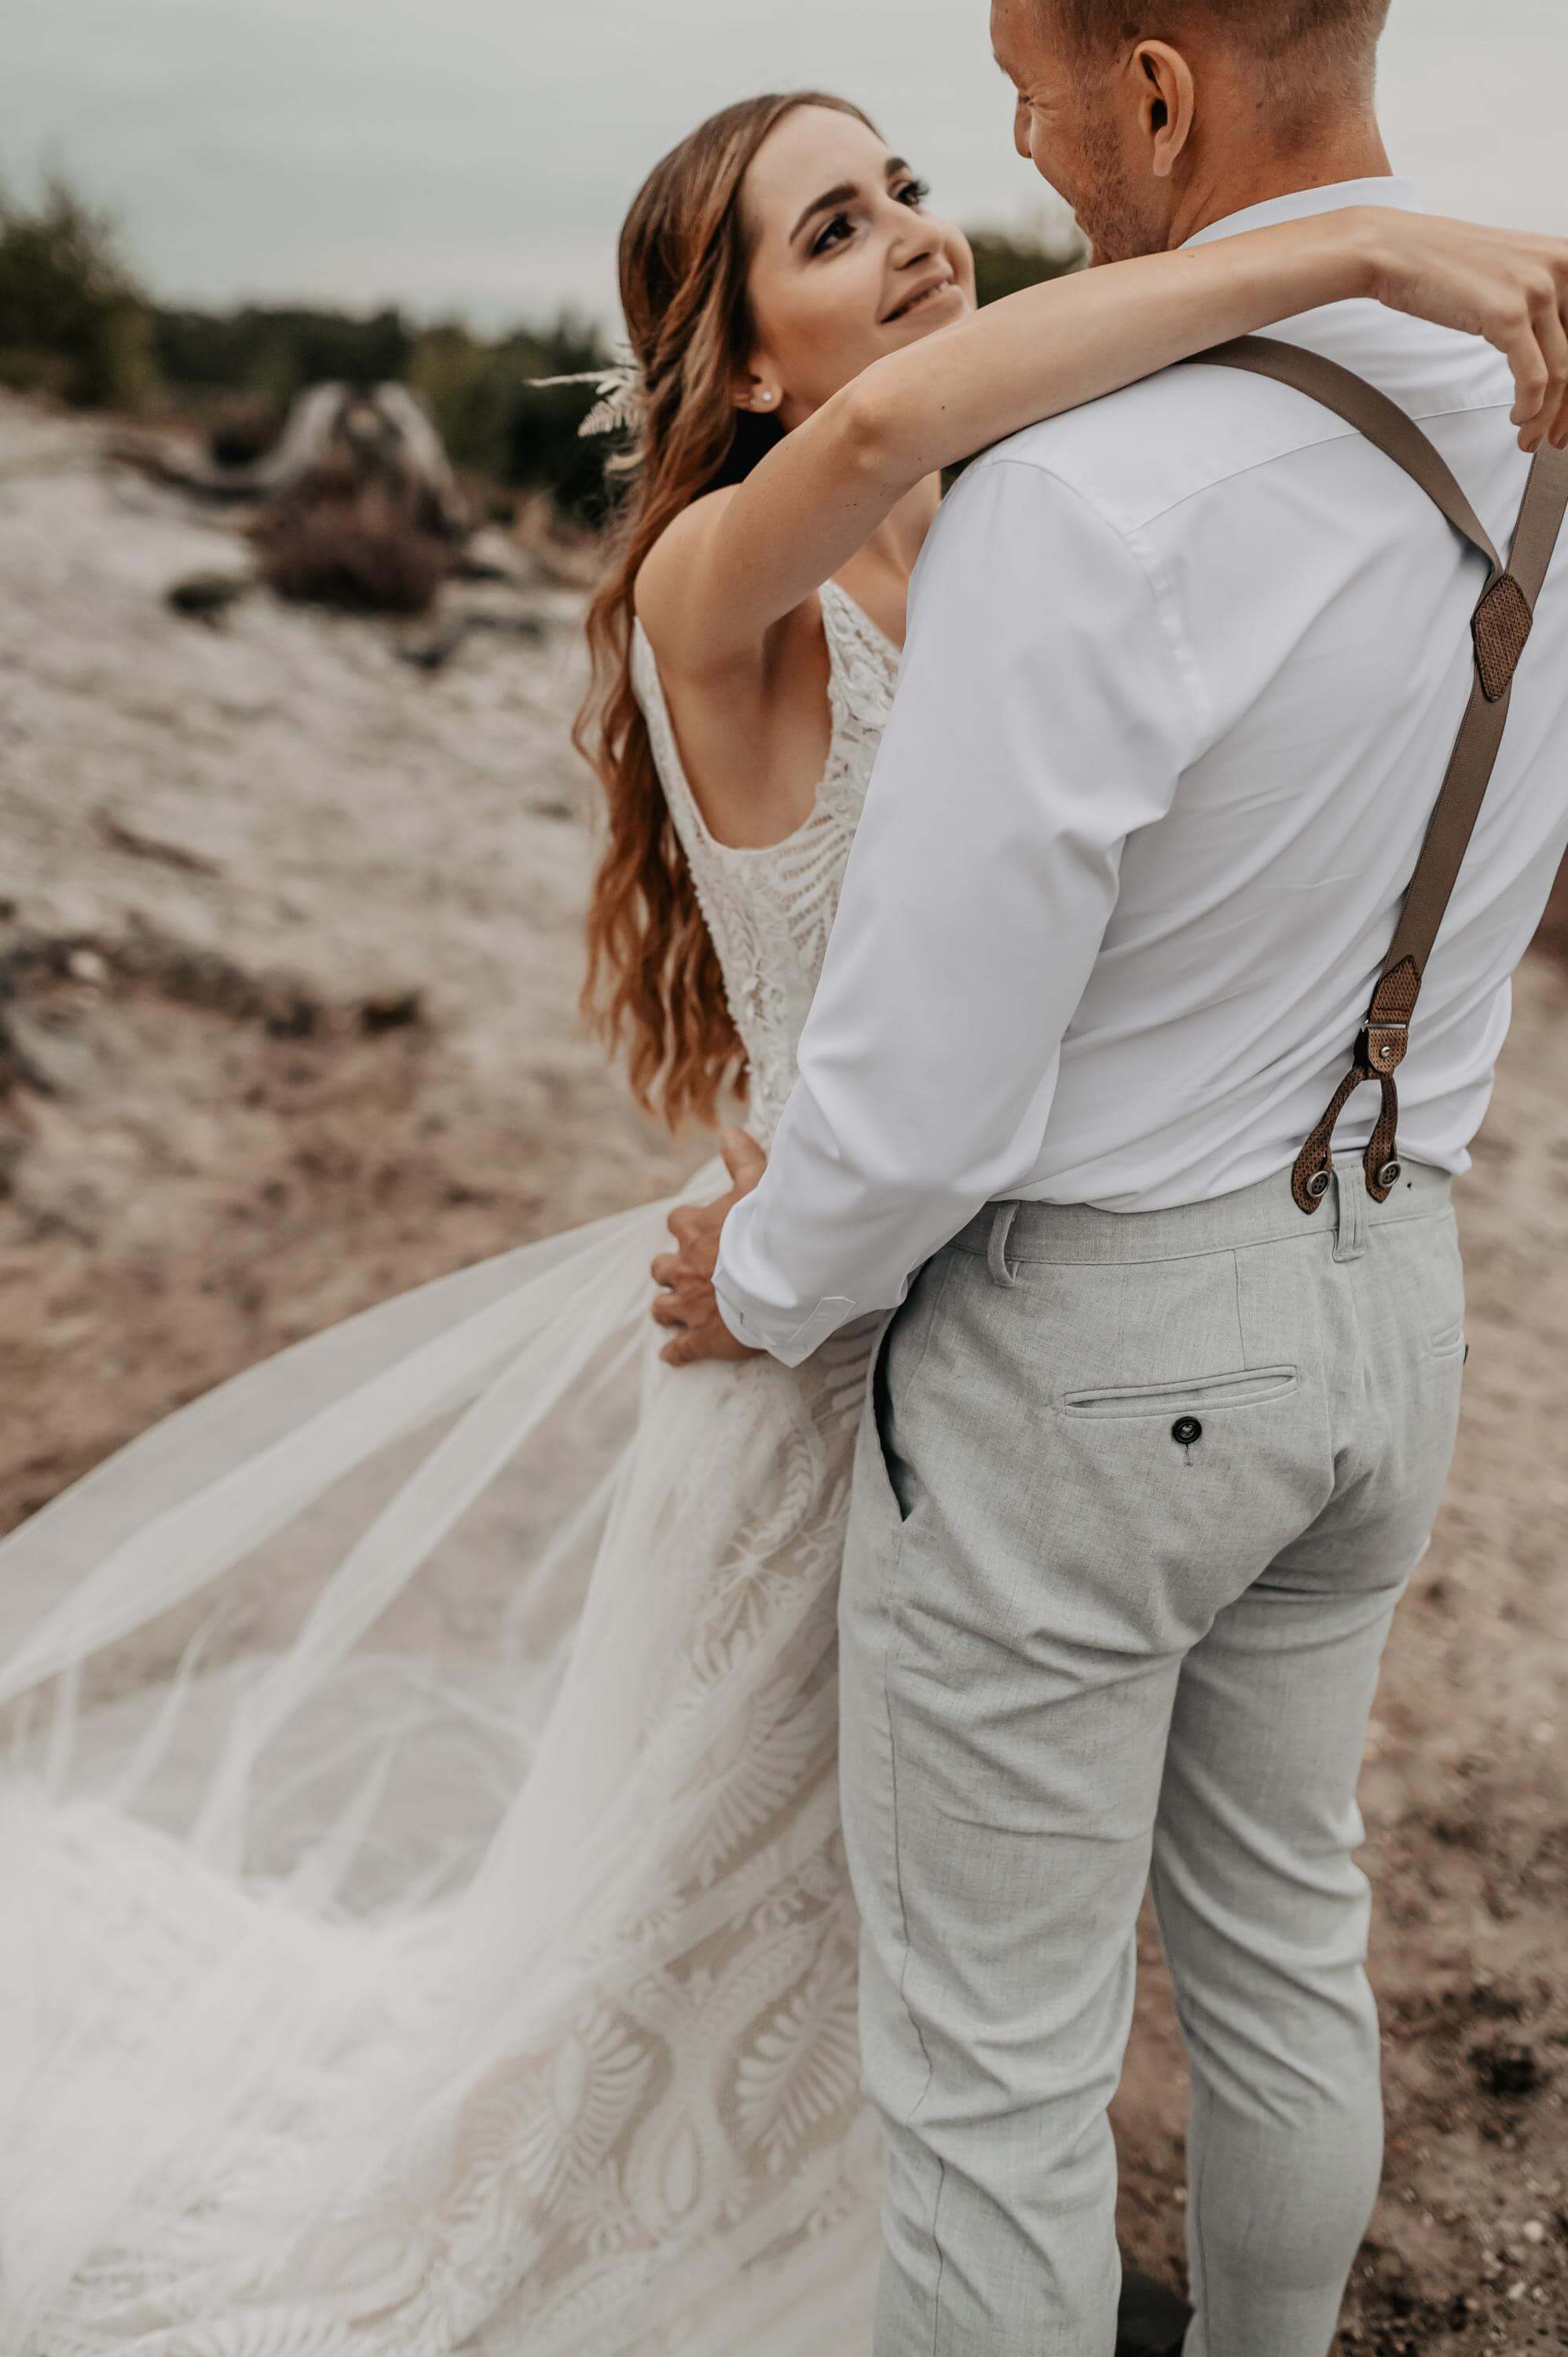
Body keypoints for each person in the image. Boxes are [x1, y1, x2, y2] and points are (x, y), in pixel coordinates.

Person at [2, 71, 1566, 2357]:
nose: (916, 230)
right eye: (832, 230)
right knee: (754, 1908)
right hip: (820, 1341)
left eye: (908, 186)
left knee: (978, 1957)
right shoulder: (715, 579)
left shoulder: (1034, 516)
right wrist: (1341, 244)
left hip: (1023, 1320)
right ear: (732, 362)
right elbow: (885, 433)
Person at [648, 9, 1568, 2357]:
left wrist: (764, 1278)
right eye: (841, 217)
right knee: (1286, 1940)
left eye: (1014, 100)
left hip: (1066, 1350)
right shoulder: (1531, 408)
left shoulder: (1079, 497)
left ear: (1154, 94)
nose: (998, 169)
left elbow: (929, 1111)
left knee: (991, 2085)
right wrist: (1361, 244)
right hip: (1388, 1296)